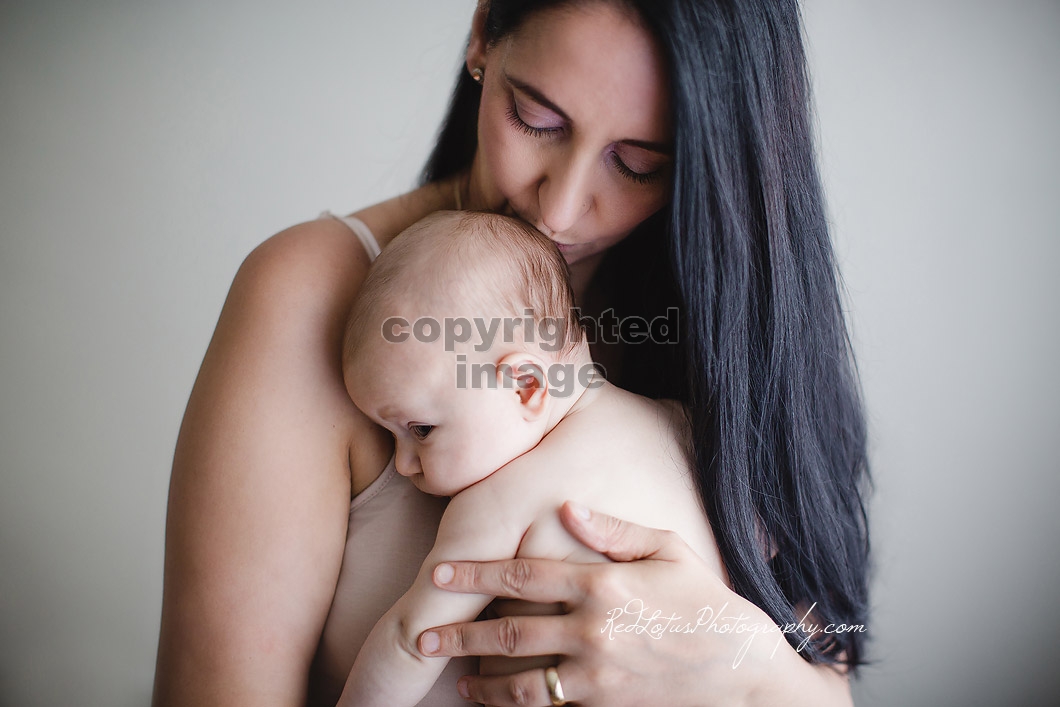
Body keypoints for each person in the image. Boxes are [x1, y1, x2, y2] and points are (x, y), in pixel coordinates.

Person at [153, 1, 870, 706]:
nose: (558, 210)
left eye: (639, 163)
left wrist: (742, 663)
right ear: (482, 35)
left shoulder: (741, 343)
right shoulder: (312, 296)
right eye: (538, 119)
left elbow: (826, 678)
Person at [335, 209, 724, 706]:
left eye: (420, 430)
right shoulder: (681, 427)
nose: (405, 463)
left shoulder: (500, 502)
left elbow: (413, 642)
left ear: (525, 386)